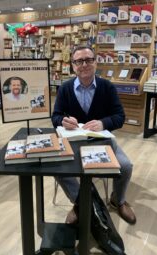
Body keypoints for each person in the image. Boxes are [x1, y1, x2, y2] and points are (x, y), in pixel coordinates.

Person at [51, 46, 136, 225]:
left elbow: (120, 117)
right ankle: (81, 203)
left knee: (126, 166)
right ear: (73, 65)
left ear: (95, 62)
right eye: (79, 61)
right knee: (58, 169)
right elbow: (56, 116)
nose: (84, 64)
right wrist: (63, 121)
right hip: (73, 143)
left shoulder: (107, 87)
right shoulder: (65, 88)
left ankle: (118, 200)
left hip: (102, 142)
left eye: (89, 60)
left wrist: (104, 123)